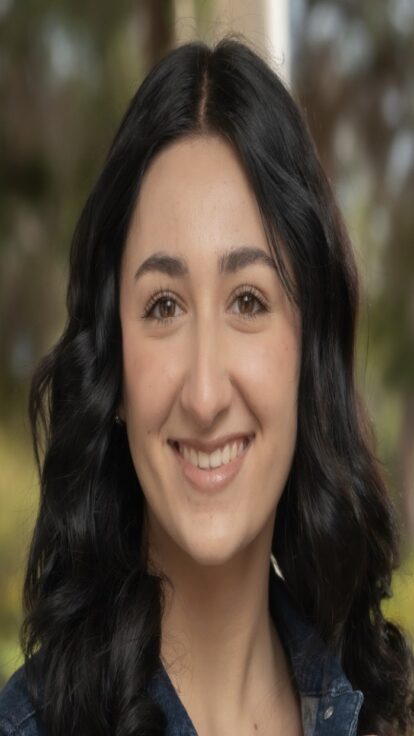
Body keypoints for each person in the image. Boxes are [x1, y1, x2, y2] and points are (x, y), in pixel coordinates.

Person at [0, 34, 413, 736]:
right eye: (164, 306)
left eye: (248, 300)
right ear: (114, 369)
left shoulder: (369, 709)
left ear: (308, 350)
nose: (204, 394)